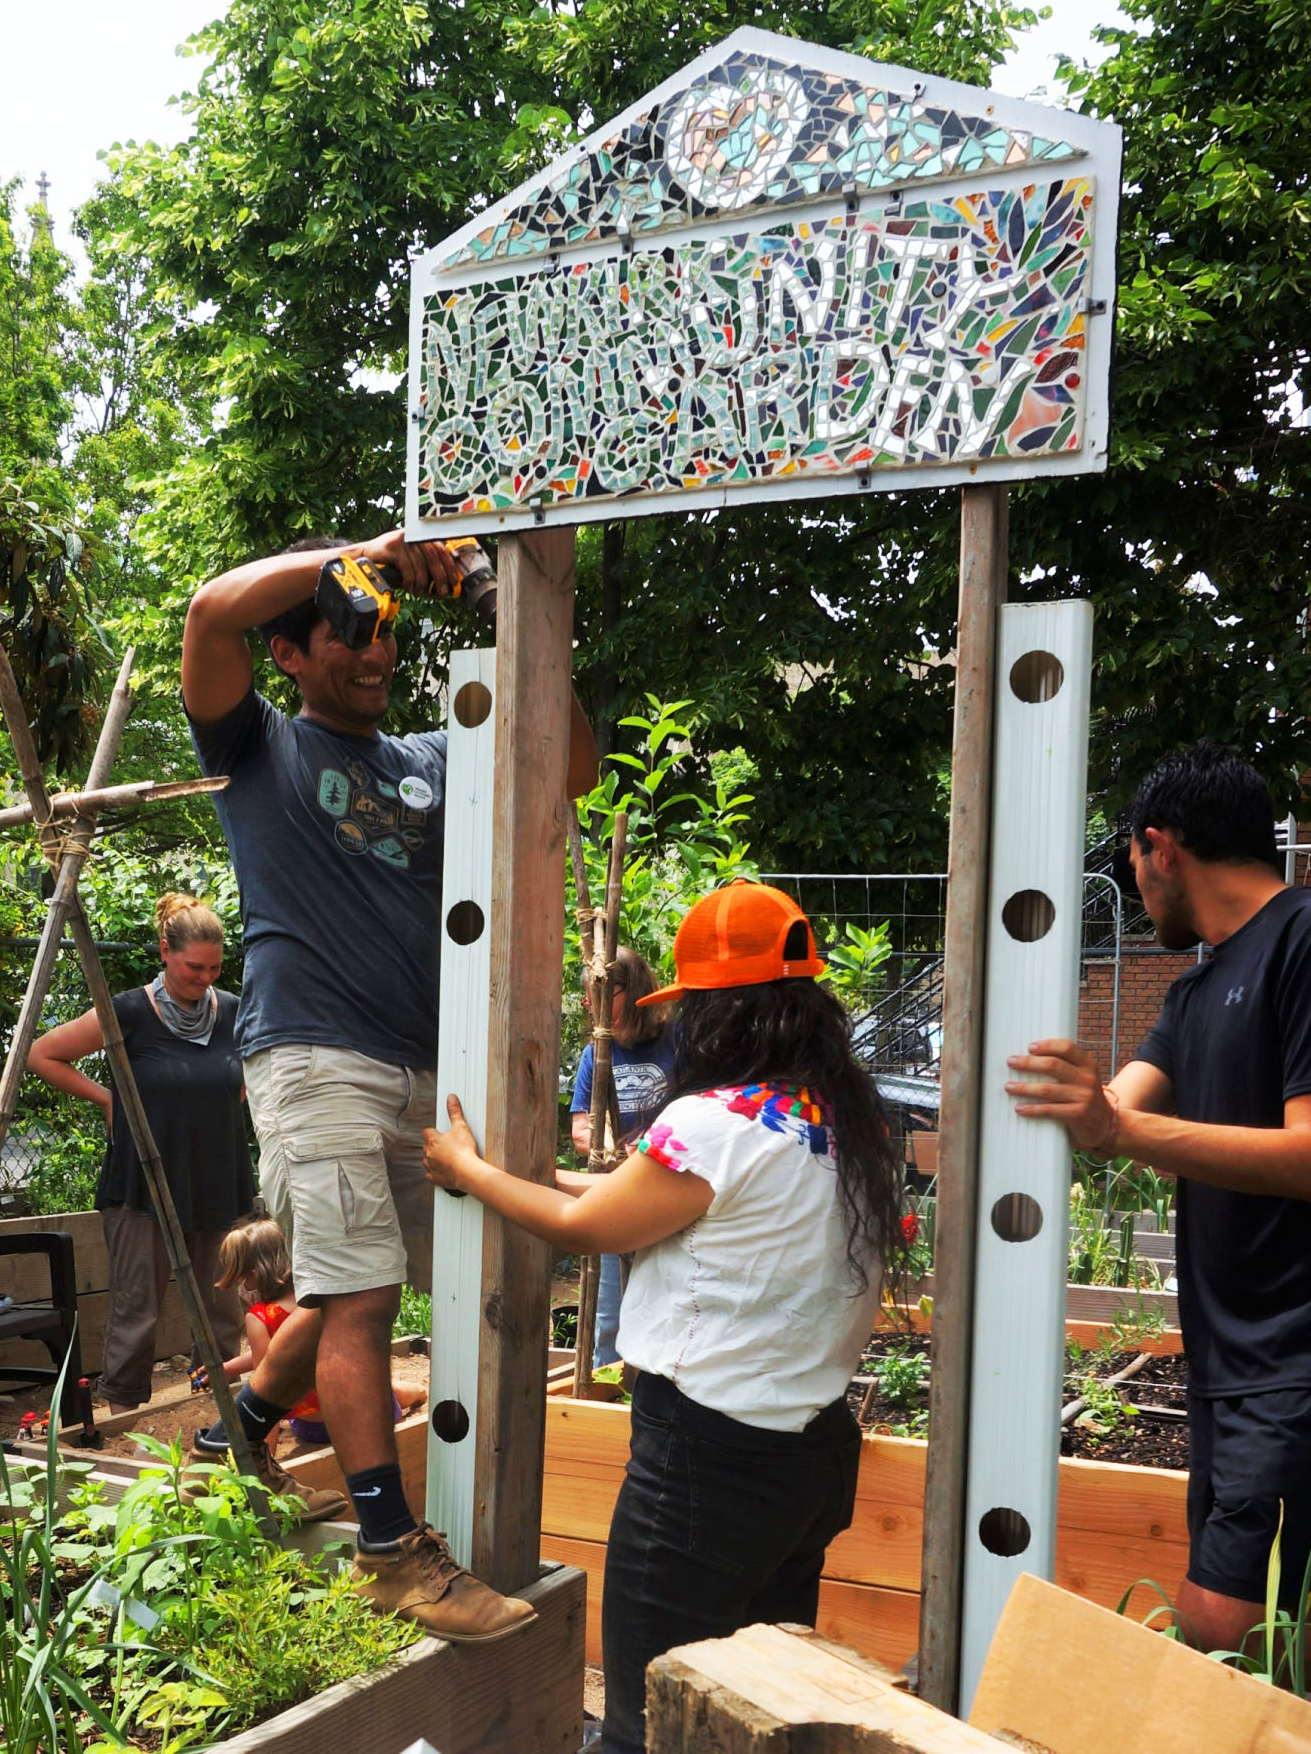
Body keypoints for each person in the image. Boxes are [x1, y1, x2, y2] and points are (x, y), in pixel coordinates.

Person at [181, 528, 597, 1637]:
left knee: (361, 1281)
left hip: (426, 1058)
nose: (376, 654)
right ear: (294, 653)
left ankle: (239, 1424)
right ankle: (392, 1551)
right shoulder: (255, 747)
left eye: (385, 635)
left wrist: (518, 607)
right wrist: (362, 552)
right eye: (349, 633)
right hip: (311, 1049)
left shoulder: (434, 750)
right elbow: (209, 608)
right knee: (362, 1294)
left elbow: (574, 766)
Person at [423, 880, 902, 1752]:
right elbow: (646, 1200)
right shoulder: (844, 1119)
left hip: (705, 1464)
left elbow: (587, 1228)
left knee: (646, 1722)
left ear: (720, 1012)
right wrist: (519, 1173)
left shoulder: (711, 1120)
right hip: (813, 1457)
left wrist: (467, 1169)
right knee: (762, 1702)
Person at [1006, 742, 1311, 1692]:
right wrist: (1075, 1097)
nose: (1136, 886)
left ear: (1159, 847)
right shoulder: (1195, 990)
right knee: (1273, 1603)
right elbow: (1111, 1116)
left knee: (1222, 1621)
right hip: (1231, 1349)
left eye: (1129, 864)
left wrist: (1117, 1127)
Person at [26, 892, 252, 1413]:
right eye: (195, 966)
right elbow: (43, 1054)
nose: (206, 978)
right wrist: (108, 1098)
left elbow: (244, 1080)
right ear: (165, 952)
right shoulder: (126, 1011)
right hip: (140, 1183)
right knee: (137, 1306)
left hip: (217, 1178)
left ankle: (214, 1408)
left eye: (216, 967)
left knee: (221, 1306)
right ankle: (123, 1416)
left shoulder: (234, 1012)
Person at [214, 1214, 429, 1447]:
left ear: (253, 1276)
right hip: (375, 1414)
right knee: (385, 1391)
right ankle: (418, 1392)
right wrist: (230, 1367)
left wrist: (267, 1454)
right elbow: (284, 1350)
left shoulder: (260, 1319)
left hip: (320, 1429)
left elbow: (266, 1388)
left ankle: (413, 1392)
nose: (243, 1288)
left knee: (294, 1408)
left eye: (242, 1280)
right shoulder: (325, 1300)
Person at [569, 946, 674, 1370]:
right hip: (614, 1193)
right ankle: (607, 1389)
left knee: (669, 1302)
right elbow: (581, 1129)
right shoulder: (596, 1054)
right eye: (588, 997)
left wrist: (650, 1147)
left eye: (600, 994)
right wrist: (611, 1144)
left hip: (669, 1198)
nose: (591, 1006)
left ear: (631, 992)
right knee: (609, 1314)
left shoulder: (676, 1041)